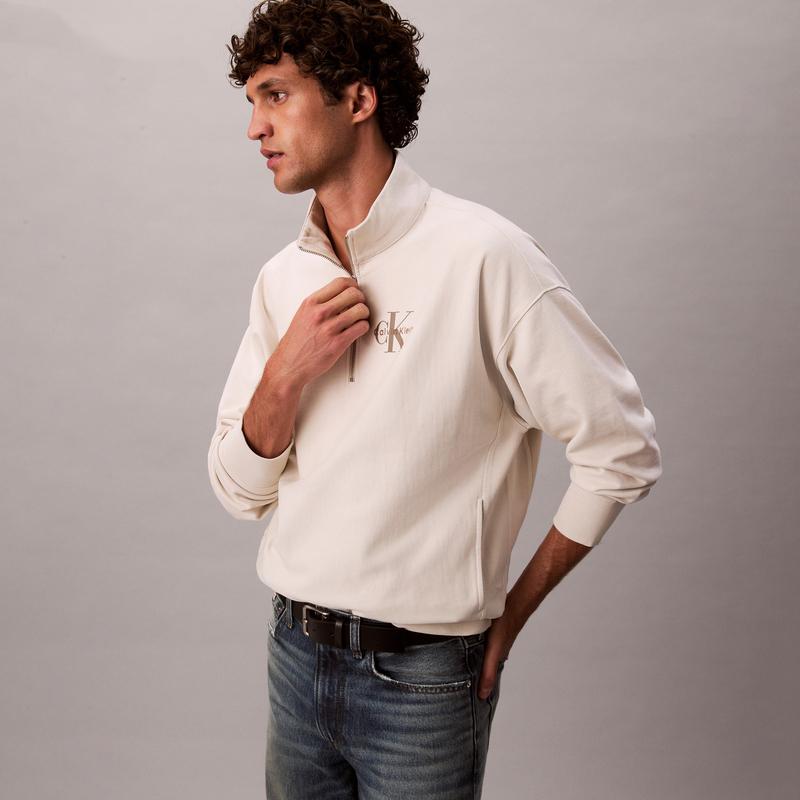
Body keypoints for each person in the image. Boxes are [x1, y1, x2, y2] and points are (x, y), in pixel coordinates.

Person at [208, 1, 663, 797]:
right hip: (293, 657)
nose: (254, 128)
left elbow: (621, 451)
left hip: (421, 683)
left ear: (358, 99)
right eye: (251, 101)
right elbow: (238, 493)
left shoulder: (486, 258)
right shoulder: (284, 280)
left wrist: (511, 615)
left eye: (276, 95)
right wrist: (284, 375)